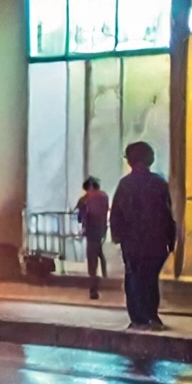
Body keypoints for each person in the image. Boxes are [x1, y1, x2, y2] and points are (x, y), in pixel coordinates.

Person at [109, 140, 176, 331]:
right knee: (150, 279)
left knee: (134, 278)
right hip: (156, 242)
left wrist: (118, 237)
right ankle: (151, 315)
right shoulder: (159, 183)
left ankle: (138, 317)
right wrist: (171, 240)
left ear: (130, 161)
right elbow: (167, 214)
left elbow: (116, 215)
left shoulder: (125, 185)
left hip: (132, 243)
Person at [74, 176, 110, 301]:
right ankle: (104, 274)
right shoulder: (104, 197)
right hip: (100, 231)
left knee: (92, 260)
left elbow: (81, 218)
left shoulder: (86, 199)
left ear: (89, 187)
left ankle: (93, 289)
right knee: (98, 253)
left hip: (90, 231)